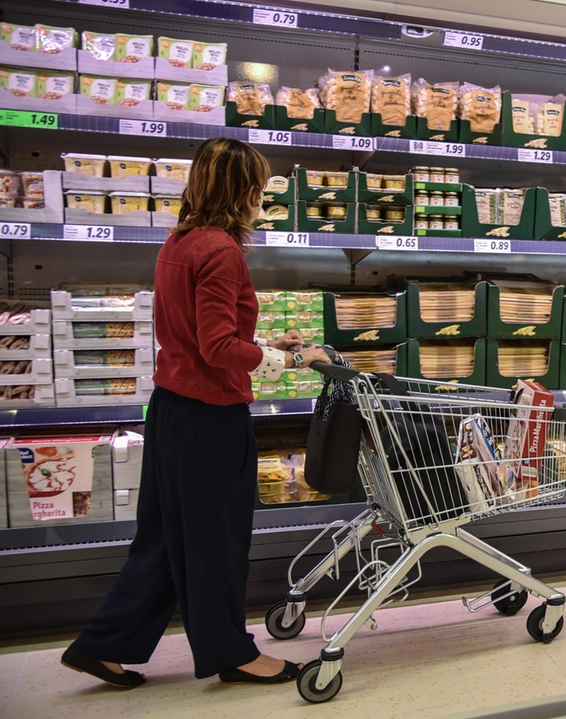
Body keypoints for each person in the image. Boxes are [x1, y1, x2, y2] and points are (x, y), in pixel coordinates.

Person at [60, 138, 330, 688]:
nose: (261, 198)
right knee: (216, 541)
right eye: (258, 187)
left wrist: (269, 340)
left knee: (165, 538)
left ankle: (104, 645)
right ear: (242, 191)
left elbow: (200, 332)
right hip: (209, 416)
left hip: (171, 409)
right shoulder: (222, 251)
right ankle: (233, 653)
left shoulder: (179, 242)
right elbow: (217, 348)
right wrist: (294, 357)